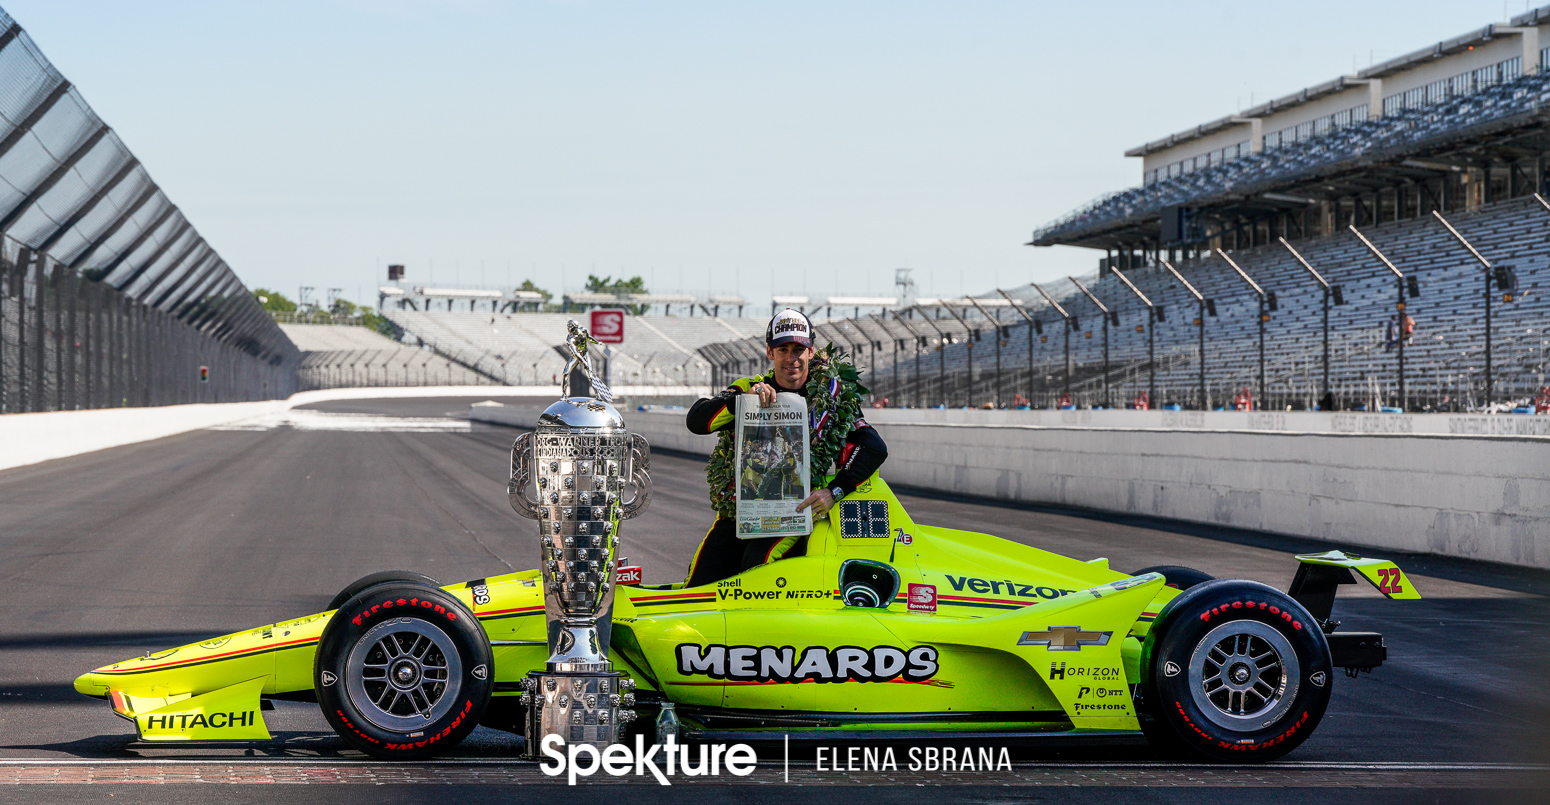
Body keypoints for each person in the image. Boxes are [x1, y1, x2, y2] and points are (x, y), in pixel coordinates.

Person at [683, 308, 888, 587]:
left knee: (754, 570)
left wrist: (833, 491)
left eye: (798, 349)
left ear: (811, 351)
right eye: (783, 349)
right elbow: (696, 421)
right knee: (699, 583)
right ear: (770, 352)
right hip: (740, 514)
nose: (791, 358)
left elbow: (874, 447)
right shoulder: (749, 388)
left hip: (791, 515)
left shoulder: (830, 398)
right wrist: (742, 401)